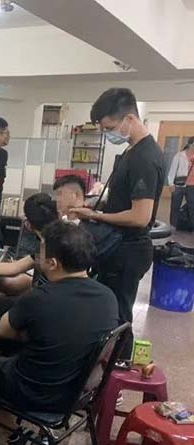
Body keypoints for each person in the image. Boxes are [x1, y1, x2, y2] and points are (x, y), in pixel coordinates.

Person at [0, 221, 119, 445]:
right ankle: (41, 433)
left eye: (41, 250)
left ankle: (19, 432)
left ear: (53, 263)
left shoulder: (40, 299)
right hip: (79, 392)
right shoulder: (108, 296)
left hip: (35, 391)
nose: (37, 255)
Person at [72, 88, 166, 323]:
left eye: (110, 128)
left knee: (117, 318)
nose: (108, 134)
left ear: (129, 119)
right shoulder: (131, 150)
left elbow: (140, 217)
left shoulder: (145, 157)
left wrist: (95, 216)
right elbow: (123, 196)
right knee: (104, 312)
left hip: (128, 251)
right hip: (116, 245)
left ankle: (121, 348)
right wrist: (94, 203)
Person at [167, 140, 194, 227]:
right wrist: (171, 184)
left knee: (192, 206)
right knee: (175, 206)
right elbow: (172, 170)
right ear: (190, 144)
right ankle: (173, 225)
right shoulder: (179, 155)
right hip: (179, 185)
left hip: (192, 186)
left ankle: (192, 226)